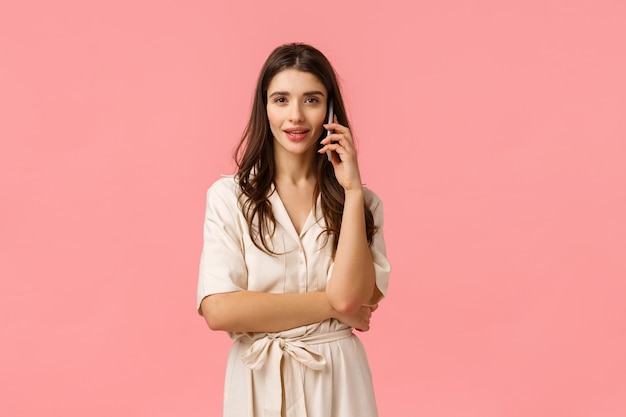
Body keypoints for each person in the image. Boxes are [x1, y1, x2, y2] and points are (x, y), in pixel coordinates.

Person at [196, 42, 391, 417]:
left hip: (339, 381)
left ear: (330, 110)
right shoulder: (229, 197)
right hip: (259, 379)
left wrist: (351, 190)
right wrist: (329, 306)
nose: (296, 116)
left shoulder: (363, 203)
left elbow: (352, 300)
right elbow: (218, 309)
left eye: (312, 100)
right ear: (264, 107)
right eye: (281, 99)